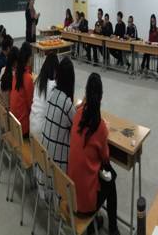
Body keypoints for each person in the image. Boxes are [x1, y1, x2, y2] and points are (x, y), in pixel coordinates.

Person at [68, 73, 119, 235]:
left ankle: (94, 224)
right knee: (111, 179)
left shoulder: (77, 114)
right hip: (84, 202)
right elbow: (105, 158)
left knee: (93, 172)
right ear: (101, 97)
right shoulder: (100, 126)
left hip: (70, 193)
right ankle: (113, 229)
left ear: (86, 93)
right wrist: (106, 132)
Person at [41, 57, 76, 171]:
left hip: (42, 164)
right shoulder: (67, 103)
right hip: (56, 174)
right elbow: (77, 125)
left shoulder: (52, 93)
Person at [30, 53, 59, 139]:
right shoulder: (53, 85)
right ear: (55, 70)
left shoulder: (38, 80)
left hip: (32, 125)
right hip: (41, 133)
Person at [9, 42, 34, 137]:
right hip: (23, 128)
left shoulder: (16, 73)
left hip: (14, 123)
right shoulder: (27, 78)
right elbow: (31, 105)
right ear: (29, 58)